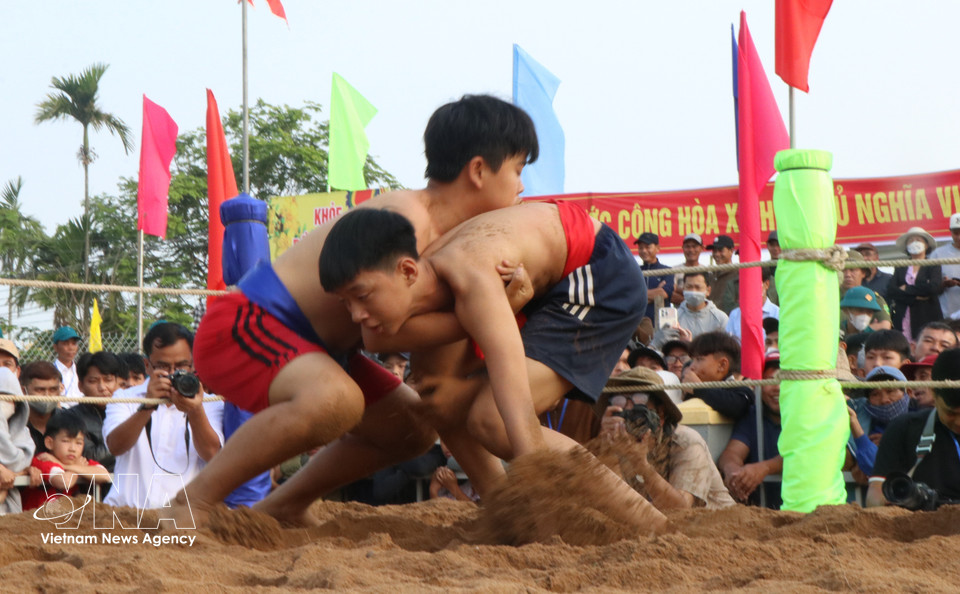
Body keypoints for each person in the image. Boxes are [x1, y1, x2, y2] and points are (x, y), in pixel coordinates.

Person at [172, 95, 542, 527]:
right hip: (247, 325)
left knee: (412, 427)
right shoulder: (405, 220)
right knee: (336, 399)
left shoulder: (450, 243)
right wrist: (495, 308)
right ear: (478, 170)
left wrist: (503, 502)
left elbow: (441, 392)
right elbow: (379, 335)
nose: (521, 187)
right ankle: (192, 503)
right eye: (518, 170)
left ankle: (284, 505)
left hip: (318, 350)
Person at [320, 203, 667, 530]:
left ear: (408, 272)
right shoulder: (395, 313)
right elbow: (456, 330)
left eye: (362, 297)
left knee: (492, 417)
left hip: (598, 272)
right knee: (436, 394)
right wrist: (509, 303)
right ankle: (507, 517)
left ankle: (651, 523)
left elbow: (515, 407)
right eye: (344, 303)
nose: (355, 316)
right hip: (529, 283)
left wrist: (543, 506)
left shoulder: (472, 277)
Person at [104, 323, 224, 510]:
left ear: (193, 365)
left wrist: (195, 409)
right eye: (163, 366)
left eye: (182, 366)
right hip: (124, 515)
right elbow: (115, 446)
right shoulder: (125, 397)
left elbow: (212, 454)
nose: (172, 374)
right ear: (147, 366)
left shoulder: (211, 403)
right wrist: (148, 406)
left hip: (182, 520)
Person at [593, 366, 735, 510]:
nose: (628, 409)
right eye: (619, 401)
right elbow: (607, 500)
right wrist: (606, 449)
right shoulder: (617, 444)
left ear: (661, 413)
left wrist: (640, 465)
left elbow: (680, 509)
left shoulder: (685, 442)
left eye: (639, 400)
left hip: (716, 526)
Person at [866, 348, 960, 507]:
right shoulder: (903, 429)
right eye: (951, 413)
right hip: (922, 528)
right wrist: (894, 500)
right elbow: (875, 495)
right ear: (934, 394)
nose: (959, 422)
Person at [717, 353, 783, 508]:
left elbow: (804, 455)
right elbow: (731, 453)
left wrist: (763, 468)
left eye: (784, 379)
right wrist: (734, 472)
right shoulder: (753, 415)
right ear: (757, 385)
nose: (777, 387)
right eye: (770, 380)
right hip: (764, 517)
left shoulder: (809, 414)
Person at [20, 411, 111, 511]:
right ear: (49, 443)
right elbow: (65, 482)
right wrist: (77, 470)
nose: (73, 448)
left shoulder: (78, 463)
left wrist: (65, 466)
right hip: (35, 519)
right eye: (66, 441)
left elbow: (105, 475)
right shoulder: (42, 459)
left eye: (79, 443)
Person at [59, 351, 121, 473]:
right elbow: (90, 457)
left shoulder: (127, 410)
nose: (102, 387)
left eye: (108, 380)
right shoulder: (71, 416)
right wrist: (125, 439)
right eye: (93, 381)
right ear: (80, 386)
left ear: (117, 382)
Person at [847, 365, 912, 479]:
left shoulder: (920, 420)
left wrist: (892, 441)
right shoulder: (871, 427)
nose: (884, 400)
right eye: (875, 394)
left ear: (908, 393)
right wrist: (855, 424)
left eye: (890, 391)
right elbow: (875, 467)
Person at [680, 331, 752, 420]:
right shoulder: (693, 392)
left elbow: (737, 406)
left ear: (722, 365)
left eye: (699, 359)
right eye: (692, 360)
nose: (691, 367)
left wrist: (698, 388)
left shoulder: (742, 391)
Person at [887, 226, 943, 341]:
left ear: (926, 245)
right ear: (906, 246)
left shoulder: (933, 265)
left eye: (918, 240)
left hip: (927, 316)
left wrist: (906, 288)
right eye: (911, 241)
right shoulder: (900, 266)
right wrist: (916, 297)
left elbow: (934, 288)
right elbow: (892, 290)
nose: (915, 243)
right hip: (903, 316)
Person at [654, 272, 727, 349]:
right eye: (689, 287)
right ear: (683, 288)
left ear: (708, 290)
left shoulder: (720, 319)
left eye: (698, 287)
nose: (693, 291)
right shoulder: (674, 318)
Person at [0, 368, 36, 514]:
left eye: (9, 397)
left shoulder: (24, 433)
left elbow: (17, 463)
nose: (4, 402)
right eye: (0, 395)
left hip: (10, 511)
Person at [18, 361, 63, 453]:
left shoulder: (68, 421)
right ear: (23, 391)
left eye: (53, 389)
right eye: (40, 390)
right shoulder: (13, 422)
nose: (47, 395)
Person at [842, 252, 893, 331]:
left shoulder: (872, 297)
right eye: (843, 270)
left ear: (863, 273)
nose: (848, 274)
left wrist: (857, 334)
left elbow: (885, 326)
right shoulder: (826, 297)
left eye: (853, 270)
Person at [725, 267, 779, 341]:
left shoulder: (778, 314)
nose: (748, 288)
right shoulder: (735, 315)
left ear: (766, 284)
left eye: (753, 283)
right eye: (744, 284)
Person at [635, 232, 673, 323]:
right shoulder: (635, 271)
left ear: (658, 248)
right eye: (641, 248)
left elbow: (663, 293)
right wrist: (655, 292)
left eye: (647, 247)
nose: (644, 250)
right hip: (639, 325)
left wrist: (638, 296)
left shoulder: (667, 270)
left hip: (662, 323)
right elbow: (630, 296)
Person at [930, 212, 960, 319]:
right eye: (956, 233)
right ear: (950, 232)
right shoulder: (938, 254)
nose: (959, 237)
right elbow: (929, 286)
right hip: (947, 316)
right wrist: (943, 284)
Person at [706, 235, 739, 315]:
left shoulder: (738, 274)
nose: (717, 254)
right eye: (714, 251)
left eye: (720, 250)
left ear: (731, 251)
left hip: (730, 321)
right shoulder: (710, 275)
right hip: (711, 321)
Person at [51, 326, 83, 405]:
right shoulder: (49, 371)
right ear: (55, 347)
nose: (71, 348)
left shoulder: (81, 370)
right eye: (65, 344)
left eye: (74, 343)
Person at [671, 233, 703, 306]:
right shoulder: (673, 270)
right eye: (687, 247)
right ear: (683, 248)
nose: (691, 250)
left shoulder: (707, 271)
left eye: (694, 246)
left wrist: (677, 290)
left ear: (701, 248)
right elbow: (671, 295)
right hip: (680, 314)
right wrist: (695, 300)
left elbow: (708, 296)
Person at [765, 230, 780, 305]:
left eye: (778, 245)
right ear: (767, 245)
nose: (775, 248)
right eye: (772, 245)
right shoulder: (762, 268)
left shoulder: (790, 268)